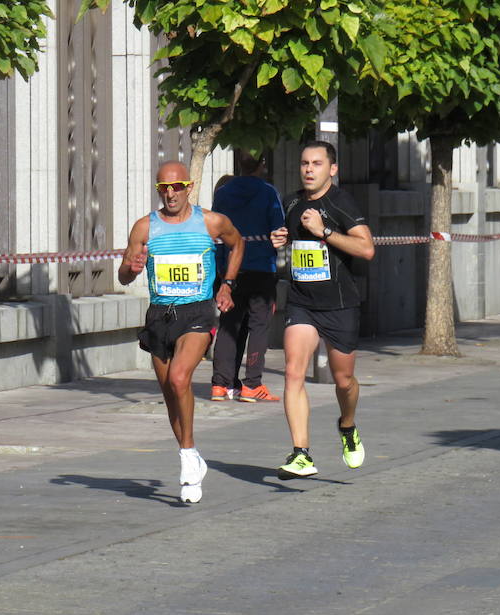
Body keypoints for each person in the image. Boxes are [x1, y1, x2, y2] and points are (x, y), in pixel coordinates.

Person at [119, 161, 243, 503]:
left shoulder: (210, 221)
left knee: (179, 378)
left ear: (189, 187)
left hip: (198, 312)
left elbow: (238, 244)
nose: (170, 193)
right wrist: (131, 268)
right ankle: (190, 454)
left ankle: (188, 458)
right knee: (172, 396)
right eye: (163, 188)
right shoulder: (145, 227)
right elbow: (124, 275)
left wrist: (228, 285)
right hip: (160, 315)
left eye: (177, 187)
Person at [270, 141, 375, 479]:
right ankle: (301, 453)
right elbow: (293, 242)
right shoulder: (291, 201)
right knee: (292, 372)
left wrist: (325, 231)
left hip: (340, 305)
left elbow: (367, 248)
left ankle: (347, 425)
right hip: (302, 303)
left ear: (332, 169)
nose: (309, 169)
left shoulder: (341, 203)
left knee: (343, 381)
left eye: (317, 163)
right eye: (304, 163)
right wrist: (281, 239)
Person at [210, 150, 284, 403]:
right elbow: (279, 231)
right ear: (262, 163)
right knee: (259, 326)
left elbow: (216, 232)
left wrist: (221, 272)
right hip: (261, 268)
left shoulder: (222, 194)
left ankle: (220, 384)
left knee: (229, 325)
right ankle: (252, 384)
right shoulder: (268, 192)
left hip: (230, 270)